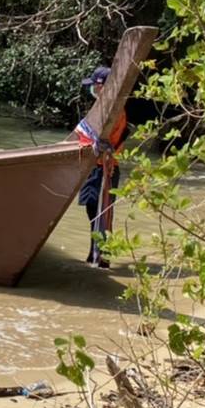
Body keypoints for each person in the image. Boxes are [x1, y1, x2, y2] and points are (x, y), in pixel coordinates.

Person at [77, 66, 129, 269]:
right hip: (95, 167)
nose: (92, 90)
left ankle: (100, 259)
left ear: (103, 87)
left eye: (94, 86)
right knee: (93, 212)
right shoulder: (104, 107)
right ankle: (93, 256)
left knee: (100, 214)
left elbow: (103, 139)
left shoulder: (113, 110)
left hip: (104, 168)